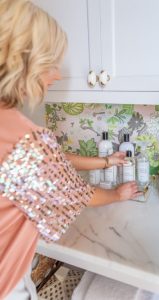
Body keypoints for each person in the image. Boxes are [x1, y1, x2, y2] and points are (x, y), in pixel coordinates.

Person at [0, 0, 141, 299]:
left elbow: (47, 163)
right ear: (24, 62)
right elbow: (78, 193)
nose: (58, 75)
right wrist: (118, 194)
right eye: (51, 62)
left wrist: (106, 162)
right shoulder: (27, 140)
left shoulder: (19, 138)